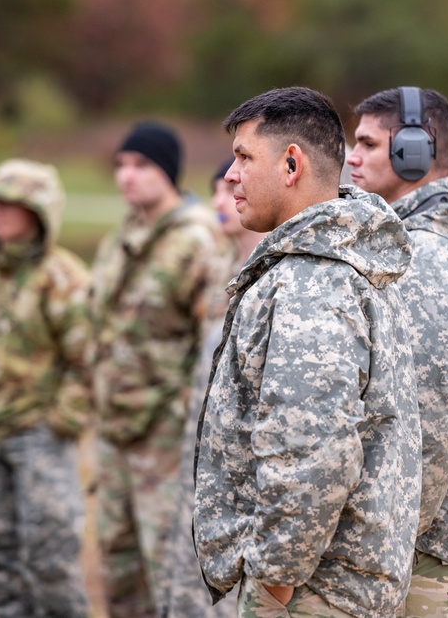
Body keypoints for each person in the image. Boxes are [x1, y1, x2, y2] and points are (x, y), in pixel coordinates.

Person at [193, 86, 423, 618]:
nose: (230, 175)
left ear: (291, 164)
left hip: (310, 597)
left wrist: (269, 591)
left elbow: (310, 455)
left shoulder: (311, 281)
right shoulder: (324, 262)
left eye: (244, 157)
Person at [348, 87, 448, 617]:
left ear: (414, 152)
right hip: (414, 547)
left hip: (423, 554)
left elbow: (436, 427)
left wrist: (376, 539)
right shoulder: (412, 243)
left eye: (368, 144)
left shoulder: (425, 259)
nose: (351, 157)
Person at [88, 121, 230, 618]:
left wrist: (182, 418)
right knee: (118, 569)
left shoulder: (197, 240)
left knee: (169, 567)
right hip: (115, 432)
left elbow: (211, 346)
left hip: (165, 439)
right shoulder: (123, 236)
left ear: (167, 172)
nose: (127, 177)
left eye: (141, 166)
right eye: (121, 165)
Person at [0, 159, 92, 618]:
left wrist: (60, 421)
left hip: (38, 439)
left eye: (13, 205)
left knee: (50, 559)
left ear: (40, 213)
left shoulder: (63, 280)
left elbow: (88, 359)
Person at [163, 158, 265, 617]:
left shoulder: (265, 279)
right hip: (198, 457)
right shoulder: (222, 269)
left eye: (227, 191)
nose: (219, 202)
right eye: (215, 193)